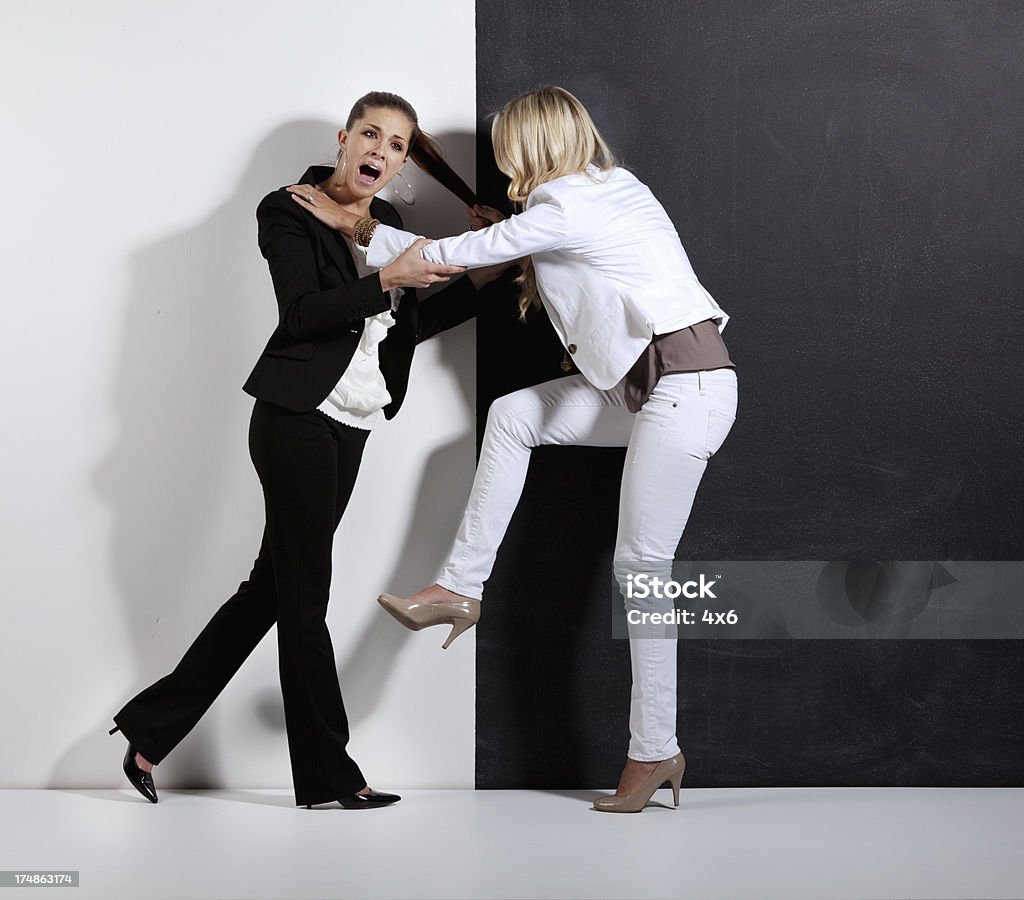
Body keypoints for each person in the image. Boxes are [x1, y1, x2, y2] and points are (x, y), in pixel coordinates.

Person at [301, 85, 738, 813]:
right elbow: (573, 258)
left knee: (642, 569)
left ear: (531, 146)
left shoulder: (566, 206)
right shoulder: (600, 191)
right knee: (515, 415)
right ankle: (460, 588)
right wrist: (512, 226)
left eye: (507, 155)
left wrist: (354, 225)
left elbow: (453, 257)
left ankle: (655, 748)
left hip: (685, 389)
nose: (503, 167)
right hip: (647, 389)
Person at [109, 91, 505, 810]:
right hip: (293, 414)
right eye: (371, 136)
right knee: (305, 596)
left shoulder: (389, 224)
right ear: (345, 138)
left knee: (273, 588)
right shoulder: (287, 208)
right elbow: (300, 315)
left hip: (351, 420)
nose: (380, 153)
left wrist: (485, 269)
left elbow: (408, 323)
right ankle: (329, 776)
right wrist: (386, 278)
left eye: (395, 145)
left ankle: (148, 729)